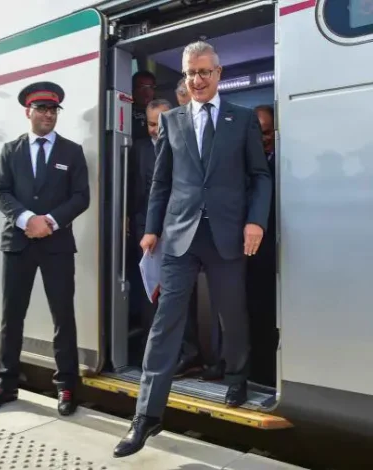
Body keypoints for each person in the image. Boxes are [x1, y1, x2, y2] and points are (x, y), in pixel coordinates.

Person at [113, 41, 272, 458]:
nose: (197, 80)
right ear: (184, 77)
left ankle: (237, 377)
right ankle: (146, 416)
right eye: (190, 74)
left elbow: (260, 176)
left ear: (218, 73)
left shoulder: (241, 120)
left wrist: (255, 220)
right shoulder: (172, 121)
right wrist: (151, 229)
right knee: (165, 323)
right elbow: (161, 182)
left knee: (231, 314)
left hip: (226, 235)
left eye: (204, 72)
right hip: (180, 236)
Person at [0, 81, 90, 417]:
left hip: (56, 245)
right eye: (41, 109)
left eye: (53, 109)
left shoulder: (71, 152)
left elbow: (81, 197)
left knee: (63, 317)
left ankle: (67, 385)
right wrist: (27, 219)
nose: (48, 115)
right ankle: (6, 383)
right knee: (12, 317)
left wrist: (51, 221)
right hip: (18, 243)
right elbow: (1, 193)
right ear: (28, 112)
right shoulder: (11, 151)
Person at [130, 98, 203, 375]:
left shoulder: (187, 143)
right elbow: (133, 189)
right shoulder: (137, 150)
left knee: (180, 294)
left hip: (178, 230)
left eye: (160, 124)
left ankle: (189, 353)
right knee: (151, 292)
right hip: (146, 232)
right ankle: (156, 354)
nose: (155, 130)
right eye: (150, 124)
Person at [246, 104, 278, 387]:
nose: (263, 138)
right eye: (259, 133)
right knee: (255, 313)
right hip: (252, 253)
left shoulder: (284, 161)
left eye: (267, 132)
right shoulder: (245, 163)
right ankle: (257, 373)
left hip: (277, 251)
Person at [131, 70, 157, 141]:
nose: (146, 92)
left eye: (150, 87)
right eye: (141, 87)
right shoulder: (125, 111)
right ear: (133, 89)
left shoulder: (160, 112)